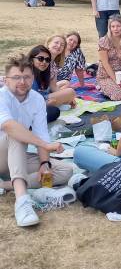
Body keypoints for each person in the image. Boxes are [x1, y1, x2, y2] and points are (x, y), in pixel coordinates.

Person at [0, 54, 72, 227]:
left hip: (13, 159)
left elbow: (41, 134)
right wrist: (45, 145)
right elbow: (10, 126)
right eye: (16, 77)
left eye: (26, 77)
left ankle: (5, 185)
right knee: (17, 133)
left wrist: (44, 163)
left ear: (33, 77)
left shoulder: (37, 99)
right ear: (5, 79)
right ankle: (22, 201)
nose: (22, 82)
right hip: (2, 152)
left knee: (64, 171)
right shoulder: (2, 96)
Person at [28, 45, 76, 122]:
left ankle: (59, 103)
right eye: (40, 59)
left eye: (47, 60)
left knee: (66, 85)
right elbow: (29, 100)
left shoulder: (45, 70)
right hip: (34, 103)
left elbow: (53, 86)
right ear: (31, 59)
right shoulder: (28, 74)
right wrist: (47, 102)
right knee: (69, 93)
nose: (44, 62)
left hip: (43, 94)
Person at [97, 14, 121, 101]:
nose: (115, 29)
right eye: (113, 26)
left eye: (118, 26)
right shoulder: (104, 41)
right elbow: (105, 63)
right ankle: (103, 87)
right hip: (107, 75)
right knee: (119, 94)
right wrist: (116, 80)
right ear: (109, 28)